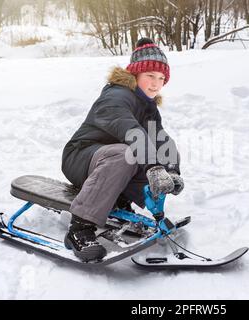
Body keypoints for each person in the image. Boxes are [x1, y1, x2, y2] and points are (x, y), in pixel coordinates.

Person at [61, 38, 184, 262]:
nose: (156, 84)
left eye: (161, 78)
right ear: (135, 74)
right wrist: (154, 166)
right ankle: (79, 228)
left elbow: (161, 140)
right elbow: (131, 131)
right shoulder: (115, 96)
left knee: (140, 160)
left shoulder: (148, 107)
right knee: (127, 155)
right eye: (150, 76)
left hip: (111, 162)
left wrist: (172, 169)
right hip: (81, 157)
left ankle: (118, 201)